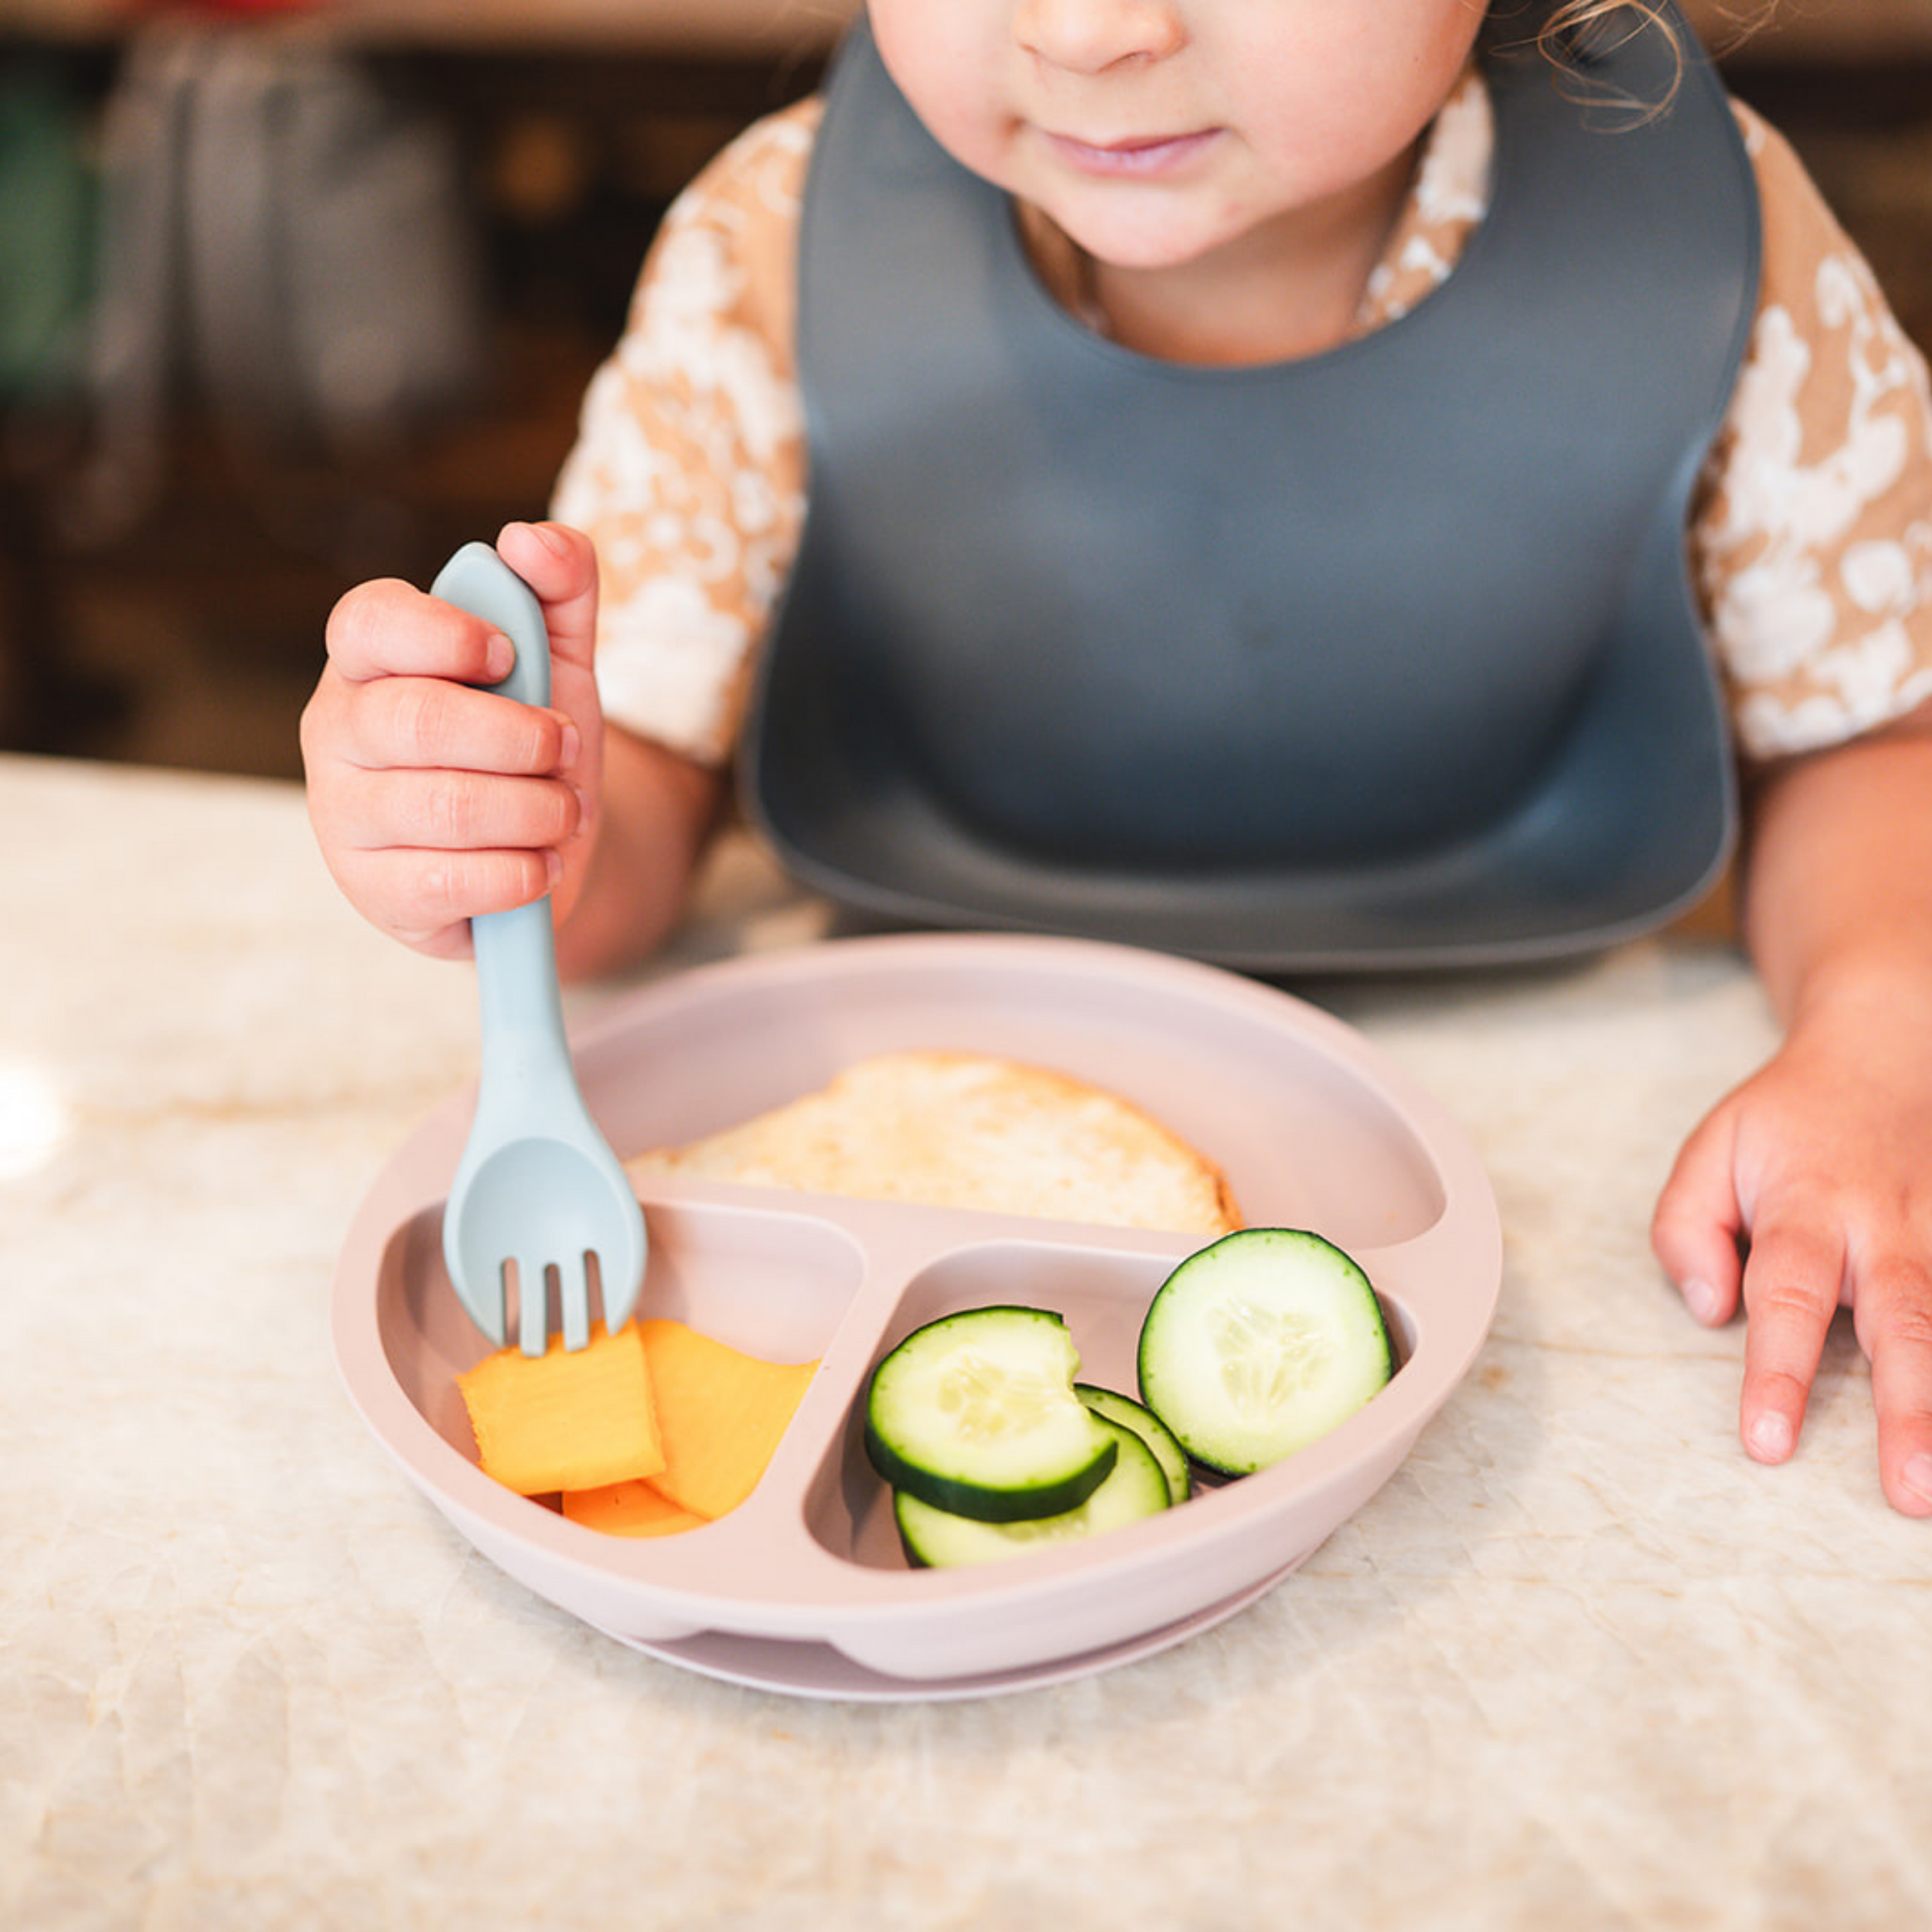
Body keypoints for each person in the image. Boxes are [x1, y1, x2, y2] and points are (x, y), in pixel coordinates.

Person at [301, 0, 1932, 1517]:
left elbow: (1873, 736)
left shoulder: (1705, 236)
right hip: (914, 1150)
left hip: (1562, 1163)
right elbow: (628, 835)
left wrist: (1880, 1034)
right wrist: (509, 833)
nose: (1087, 32)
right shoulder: (772, 250)